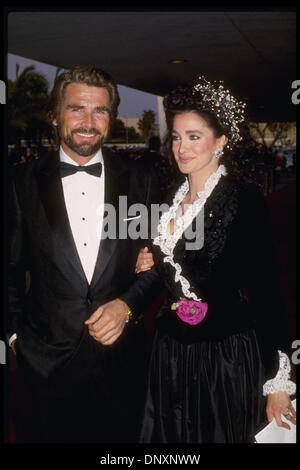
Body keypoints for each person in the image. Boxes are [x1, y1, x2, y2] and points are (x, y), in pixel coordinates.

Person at [136, 76, 296, 443]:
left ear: (221, 140)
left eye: (194, 136)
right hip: (170, 353)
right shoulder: (168, 197)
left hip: (225, 356)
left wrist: (278, 380)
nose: (182, 148)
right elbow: (168, 263)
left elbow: (268, 290)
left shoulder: (243, 199)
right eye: (176, 137)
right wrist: (149, 259)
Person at [7, 64, 160, 443]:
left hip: (123, 364)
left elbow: (161, 262)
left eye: (100, 111)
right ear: (55, 115)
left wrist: (127, 305)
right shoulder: (19, 183)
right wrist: (15, 340)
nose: (88, 122)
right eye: (77, 109)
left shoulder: (142, 180)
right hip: (46, 366)